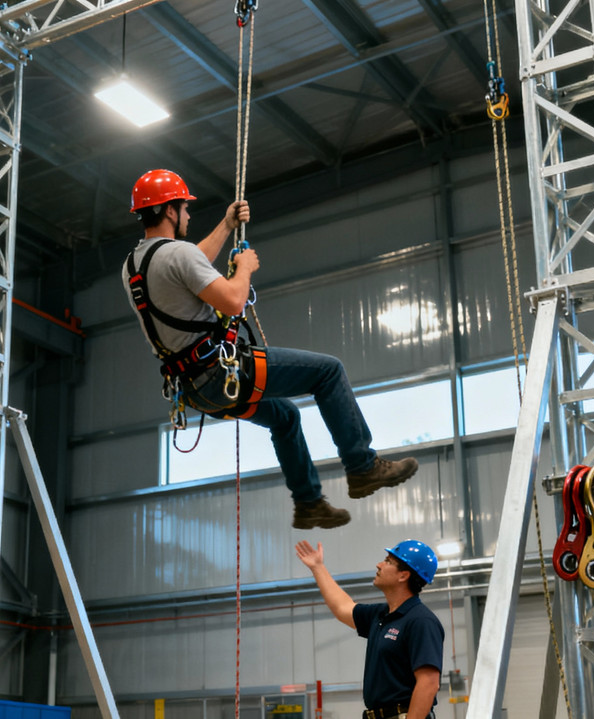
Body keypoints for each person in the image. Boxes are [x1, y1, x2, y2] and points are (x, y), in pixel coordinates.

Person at [122, 169, 419, 529]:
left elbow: (191, 261)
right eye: (184, 208)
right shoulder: (178, 255)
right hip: (221, 373)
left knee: (285, 417)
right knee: (328, 372)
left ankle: (309, 504)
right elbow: (233, 301)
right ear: (170, 210)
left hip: (194, 390)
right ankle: (362, 466)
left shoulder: (135, 265)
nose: (187, 215)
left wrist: (226, 224)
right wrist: (244, 269)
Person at [296, 539, 443, 718]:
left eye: (388, 561)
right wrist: (317, 567)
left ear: (403, 575)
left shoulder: (421, 621)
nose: (379, 565)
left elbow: (429, 683)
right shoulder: (380, 615)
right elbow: (342, 607)